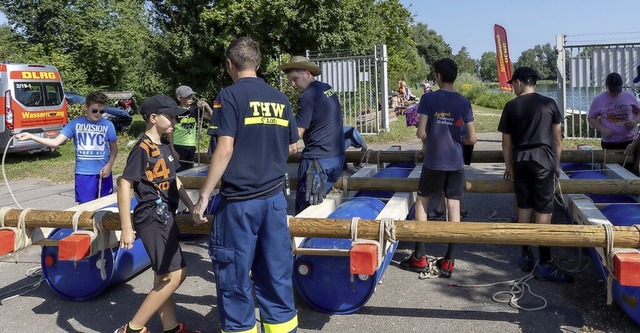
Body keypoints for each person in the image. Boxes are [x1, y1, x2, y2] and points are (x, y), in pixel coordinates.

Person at [191, 37, 299, 333]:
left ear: (230, 65)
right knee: (276, 276)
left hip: (239, 204)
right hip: (274, 201)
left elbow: (224, 149)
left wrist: (203, 197)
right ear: (258, 63)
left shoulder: (227, 97)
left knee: (234, 279)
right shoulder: (280, 98)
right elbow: (294, 145)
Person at [115, 95, 200, 333]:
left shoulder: (164, 146)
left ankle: (171, 328)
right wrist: (126, 227)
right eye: (170, 116)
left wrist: (191, 206)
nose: (175, 121)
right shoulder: (142, 148)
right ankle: (132, 329)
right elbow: (124, 184)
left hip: (166, 216)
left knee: (163, 277)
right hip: (152, 216)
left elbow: (176, 181)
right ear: (153, 118)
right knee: (176, 275)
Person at [399, 58, 477, 278]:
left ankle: (420, 257)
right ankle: (449, 262)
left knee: (422, 202)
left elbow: (421, 133)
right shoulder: (463, 101)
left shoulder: (428, 98)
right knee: (454, 206)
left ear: (438, 76)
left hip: (433, 162)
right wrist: (456, 138)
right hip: (455, 163)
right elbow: (472, 137)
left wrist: (430, 139)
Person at [498, 66, 574, 283]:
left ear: (521, 82)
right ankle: (546, 263)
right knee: (543, 209)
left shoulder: (511, 106)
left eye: (513, 83)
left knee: (524, 206)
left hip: (521, 160)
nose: (512, 86)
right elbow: (558, 140)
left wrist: (508, 165)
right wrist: (556, 165)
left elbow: (506, 141)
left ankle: (525, 255)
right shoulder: (549, 104)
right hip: (544, 161)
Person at [16, 91, 117, 204]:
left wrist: (109, 165)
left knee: (105, 206)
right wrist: (31, 136)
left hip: (104, 172)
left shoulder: (108, 125)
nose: (98, 114)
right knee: (85, 208)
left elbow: (114, 148)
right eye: (94, 110)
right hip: (84, 173)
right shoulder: (75, 124)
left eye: (101, 111)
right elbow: (55, 142)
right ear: (86, 107)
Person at [279, 56, 346, 214]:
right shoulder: (326, 88)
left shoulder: (307, 97)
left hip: (316, 163)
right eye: (290, 81)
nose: (293, 85)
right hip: (336, 158)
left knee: (305, 214)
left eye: (295, 79)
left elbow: (296, 135)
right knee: (324, 210)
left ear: (307, 73)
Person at [587, 72, 640, 150]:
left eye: (618, 90)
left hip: (631, 140)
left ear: (621, 85)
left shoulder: (629, 97)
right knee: (610, 162)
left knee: (631, 161)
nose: (615, 92)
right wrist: (602, 129)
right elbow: (591, 118)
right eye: (613, 90)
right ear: (606, 85)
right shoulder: (598, 100)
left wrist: (635, 121)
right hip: (610, 142)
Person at [170, 85, 214, 172]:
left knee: (189, 170)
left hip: (191, 145)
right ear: (179, 98)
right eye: (187, 96)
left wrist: (206, 105)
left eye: (191, 96)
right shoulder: (174, 111)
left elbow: (213, 118)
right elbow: (170, 130)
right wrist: (172, 148)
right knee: (180, 170)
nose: (190, 98)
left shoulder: (195, 110)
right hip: (178, 145)